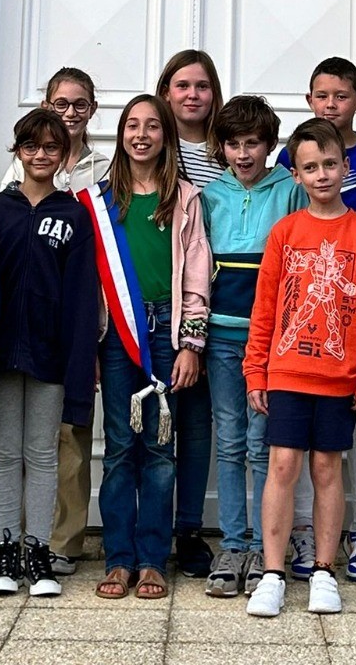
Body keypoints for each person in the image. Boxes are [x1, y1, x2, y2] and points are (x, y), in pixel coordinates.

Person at [243, 119, 356, 620]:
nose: (322, 174)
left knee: (328, 468)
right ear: (297, 175)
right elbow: (265, 306)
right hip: (286, 372)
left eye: (330, 165)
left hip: (340, 377)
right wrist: (254, 369)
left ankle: (325, 571)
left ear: (346, 168)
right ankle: (272, 572)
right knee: (282, 466)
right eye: (311, 167)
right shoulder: (285, 233)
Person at [87, 94, 211, 601]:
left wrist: (192, 345)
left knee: (161, 450)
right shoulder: (98, 200)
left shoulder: (184, 199)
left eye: (152, 126)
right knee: (120, 448)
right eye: (132, 125)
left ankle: (153, 559)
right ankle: (118, 559)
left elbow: (199, 276)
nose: (142, 134)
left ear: (166, 135)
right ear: (120, 134)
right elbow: (90, 283)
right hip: (117, 334)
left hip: (167, 332)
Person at [276, 57, 356, 582]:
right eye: (321, 96)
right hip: (303, 335)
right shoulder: (289, 157)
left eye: (340, 96)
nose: (330, 104)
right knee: (299, 453)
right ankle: (304, 534)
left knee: (355, 441)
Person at [0, 106, 98, 599]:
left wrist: (80, 357)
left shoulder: (73, 215)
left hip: (50, 355)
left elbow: (81, 296)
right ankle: (6, 553)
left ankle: (38, 552)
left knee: (44, 454)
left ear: (64, 153)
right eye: (32, 147)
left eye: (52, 147)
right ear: (18, 151)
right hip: (2, 353)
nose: (41, 155)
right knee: (5, 454)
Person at [200, 95, 304, 598]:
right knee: (231, 439)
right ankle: (234, 543)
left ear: (270, 145)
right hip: (222, 334)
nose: (244, 153)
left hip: (273, 342)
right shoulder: (210, 195)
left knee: (264, 446)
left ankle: (267, 546)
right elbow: (197, 266)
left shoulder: (289, 191)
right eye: (234, 144)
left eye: (253, 144)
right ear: (222, 148)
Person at [155, 48, 225, 576]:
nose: (192, 95)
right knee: (157, 421)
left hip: (219, 305)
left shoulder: (229, 151)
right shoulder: (155, 150)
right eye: (182, 85)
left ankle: (188, 529)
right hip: (164, 303)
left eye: (201, 86)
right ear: (166, 93)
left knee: (199, 423)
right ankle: (148, 525)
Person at [42, 66, 103, 576]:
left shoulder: (105, 171)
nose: (69, 113)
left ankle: (66, 541)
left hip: (91, 317)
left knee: (73, 433)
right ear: (45, 106)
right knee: (29, 434)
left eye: (79, 104)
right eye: (60, 103)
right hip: (37, 318)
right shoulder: (23, 167)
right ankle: (25, 534)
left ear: (93, 110)